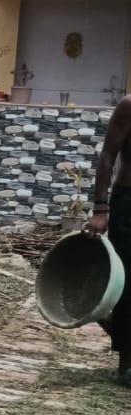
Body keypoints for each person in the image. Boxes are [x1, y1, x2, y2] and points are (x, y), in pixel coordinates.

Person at [85, 93, 131, 384]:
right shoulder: (129, 106)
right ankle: (127, 364)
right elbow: (107, 157)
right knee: (129, 282)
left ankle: (115, 324)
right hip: (128, 202)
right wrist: (100, 209)